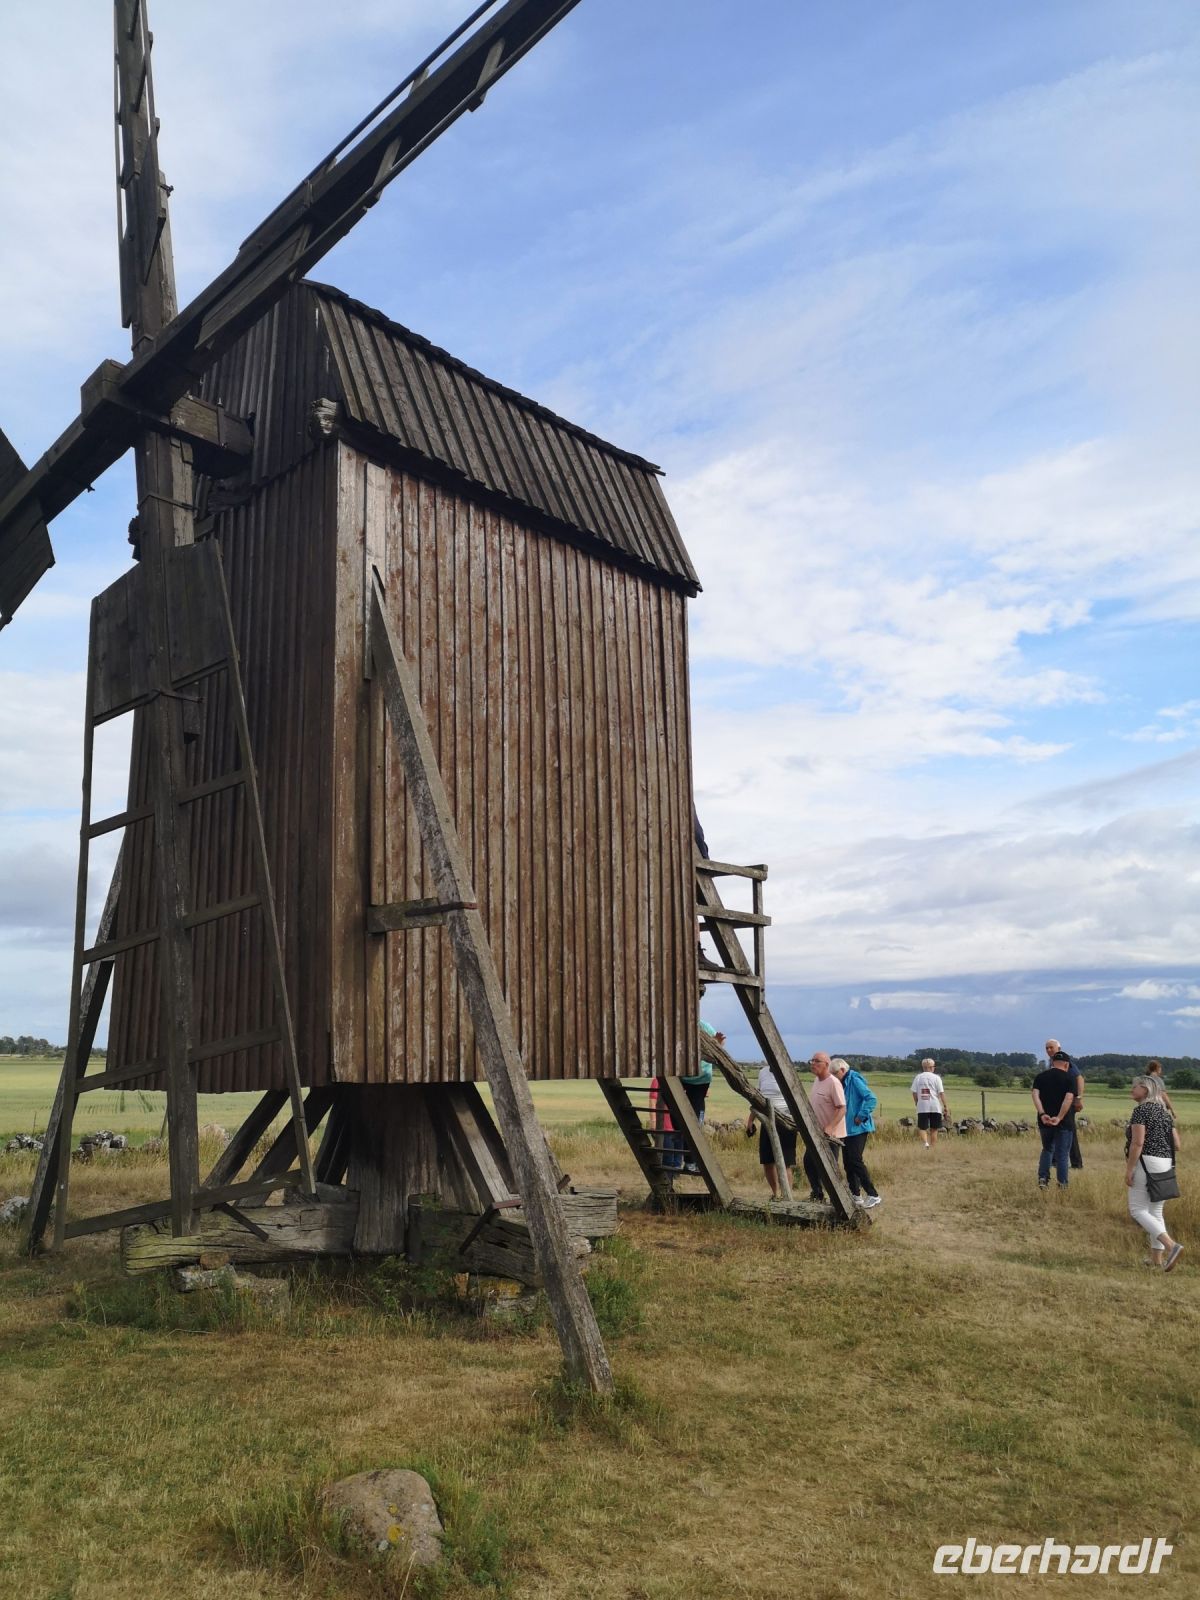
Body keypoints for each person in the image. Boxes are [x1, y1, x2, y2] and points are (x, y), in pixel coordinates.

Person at [1125, 1075, 1183, 1271]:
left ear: (1146, 1089)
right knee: (1155, 1211)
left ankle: (1172, 1246)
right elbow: (1177, 1144)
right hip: (1165, 1163)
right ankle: (1157, 1260)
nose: (1132, 1089)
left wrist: (1129, 1169)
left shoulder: (1141, 1110)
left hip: (1146, 1162)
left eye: (1135, 1086)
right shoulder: (1164, 1112)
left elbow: (1138, 1143)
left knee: (1137, 1209)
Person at [679, 991, 725, 1173]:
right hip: (683, 1078)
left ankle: (691, 1161)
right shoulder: (680, 1025)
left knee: (695, 1122)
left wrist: (717, 1042)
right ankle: (686, 1160)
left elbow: (717, 1048)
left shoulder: (704, 1026)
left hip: (699, 1081)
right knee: (681, 1121)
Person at [832, 1057, 881, 1209]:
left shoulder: (854, 1080)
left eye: (835, 1073)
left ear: (842, 1070)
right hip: (846, 1129)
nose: (834, 1077)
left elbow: (871, 1099)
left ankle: (873, 1195)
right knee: (848, 1163)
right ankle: (856, 1195)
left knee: (855, 1160)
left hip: (858, 1128)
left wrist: (861, 1116)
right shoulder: (842, 1082)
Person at [747, 1063, 797, 1198]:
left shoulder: (788, 1071)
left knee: (786, 1162)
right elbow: (758, 1097)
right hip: (767, 1119)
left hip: (786, 1120)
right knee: (767, 1161)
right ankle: (775, 1194)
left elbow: (796, 1097)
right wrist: (751, 1120)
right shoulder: (763, 1072)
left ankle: (787, 1197)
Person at [804, 1051, 847, 1202]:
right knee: (809, 1163)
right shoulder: (817, 1081)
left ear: (827, 1065)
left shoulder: (833, 1083)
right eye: (812, 1060)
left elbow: (842, 1108)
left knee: (829, 1169)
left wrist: (830, 1127)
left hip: (831, 1135)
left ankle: (839, 1200)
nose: (813, 1064)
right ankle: (817, 1195)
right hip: (817, 1133)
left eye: (817, 1061)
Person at [1031, 1050, 1077, 1189]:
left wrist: (1042, 1114)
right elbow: (1068, 1099)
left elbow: (1035, 1095)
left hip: (1044, 1122)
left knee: (1047, 1149)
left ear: (1052, 1062)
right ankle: (1062, 1184)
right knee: (1062, 1154)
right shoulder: (1070, 1078)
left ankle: (1043, 1178)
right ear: (1066, 1064)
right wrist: (1059, 1117)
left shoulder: (1040, 1077)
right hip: (1064, 1123)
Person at [1045, 1037, 1085, 1169]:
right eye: (1047, 1048)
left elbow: (1079, 1078)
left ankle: (1076, 1163)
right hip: (1055, 1102)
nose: (1049, 1050)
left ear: (1059, 1048)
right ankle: (1055, 1160)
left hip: (1067, 1102)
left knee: (1069, 1131)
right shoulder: (1051, 1062)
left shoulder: (1065, 1061)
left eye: (1051, 1047)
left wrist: (1078, 1098)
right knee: (1055, 1130)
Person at [910, 1058, 947, 1147]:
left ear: (923, 1067)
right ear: (931, 1067)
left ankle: (926, 1143)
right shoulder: (937, 1078)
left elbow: (914, 1092)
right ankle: (933, 1147)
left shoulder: (918, 1077)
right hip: (935, 1106)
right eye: (934, 1066)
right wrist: (945, 1106)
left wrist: (917, 1102)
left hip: (922, 1106)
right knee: (934, 1128)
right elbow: (941, 1093)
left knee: (922, 1127)